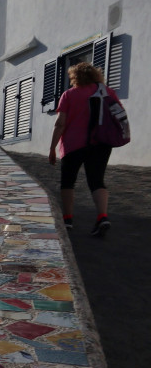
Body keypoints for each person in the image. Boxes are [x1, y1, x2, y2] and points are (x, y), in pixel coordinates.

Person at [48, 61, 121, 237]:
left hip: (73, 144)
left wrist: (52, 148)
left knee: (68, 181)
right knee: (97, 180)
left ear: (74, 77)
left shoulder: (69, 95)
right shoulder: (107, 91)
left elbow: (60, 124)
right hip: (101, 143)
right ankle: (102, 216)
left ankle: (67, 220)